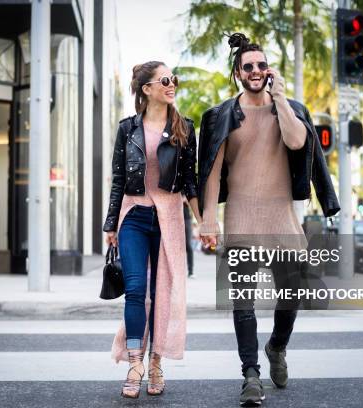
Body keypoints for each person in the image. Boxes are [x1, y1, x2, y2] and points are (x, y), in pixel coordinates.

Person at [197, 33, 340, 406]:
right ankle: (250, 375)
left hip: (282, 220)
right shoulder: (221, 116)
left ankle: (277, 346)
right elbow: (211, 172)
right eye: (249, 67)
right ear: (237, 72)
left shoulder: (290, 109)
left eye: (262, 65)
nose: (256, 71)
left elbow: (297, 142)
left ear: (268, 70)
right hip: (242, 218)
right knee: (243, 301)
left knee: (292, 295)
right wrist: (208, 218)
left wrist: (279, 97)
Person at [102, 61, 201, 399]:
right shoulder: (127, 128)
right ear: (147, 89)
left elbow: (190, 183)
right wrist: (110, 224)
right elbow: (118, 180)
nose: (172, 84)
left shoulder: (184, 128)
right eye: (164, 79)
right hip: (134, 216)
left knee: (162, 295)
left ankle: (157, 361)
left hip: (169, 219)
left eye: (173, 78)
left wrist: (203, 222)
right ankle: (135, 362)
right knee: (134, 290)